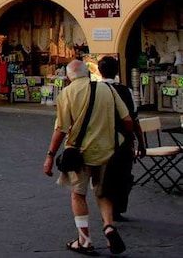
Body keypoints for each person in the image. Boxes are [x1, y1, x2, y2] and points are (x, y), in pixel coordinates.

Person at [43, 59, 134, 256]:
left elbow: (61, 129)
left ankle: (84, 241)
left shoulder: (67, 93)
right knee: (104, 192)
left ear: (69, 76)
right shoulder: (108, 90)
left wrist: (50, 155)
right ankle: (109, 226)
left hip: (79, 153)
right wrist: (127, 141)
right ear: (88, 73)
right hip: (107, 151)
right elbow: (127, 120)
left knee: (78, 193)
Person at [96, 56, 145, 222]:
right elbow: (134, 119)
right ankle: (116, 209)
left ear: (99, 71)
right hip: (123, 141)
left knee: (103, 178)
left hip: (100, 140)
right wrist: (141, 142)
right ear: (117, 71)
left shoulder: (94, 90)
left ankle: (106, 211)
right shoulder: (126, 91)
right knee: (123, 176)